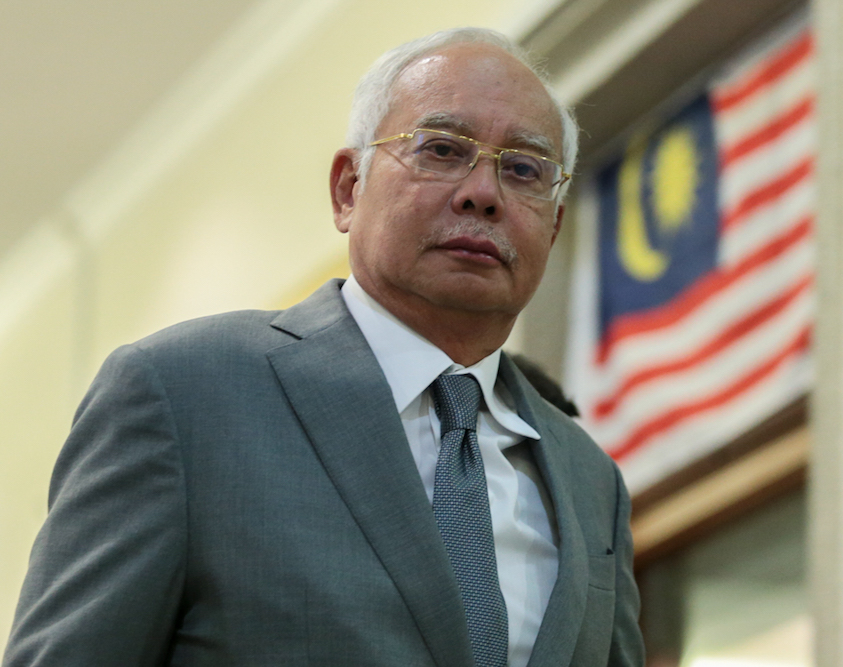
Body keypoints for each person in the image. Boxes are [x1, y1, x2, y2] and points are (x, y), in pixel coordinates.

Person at [3, 27, 643, 667]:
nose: (483, 192)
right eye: (442, 150)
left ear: (553, 228)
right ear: (348, 189)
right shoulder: (183, 394)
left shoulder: (590, 481)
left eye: (524, 169)